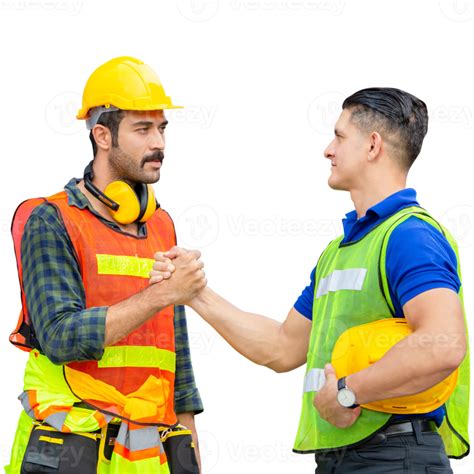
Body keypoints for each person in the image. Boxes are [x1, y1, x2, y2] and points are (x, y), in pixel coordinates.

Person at [151, 87, 470, 473]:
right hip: (348, 459)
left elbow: (443, 344)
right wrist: (195, 294)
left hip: (394, 456)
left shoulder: (409, 235)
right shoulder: (341, 251)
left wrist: (350, 393)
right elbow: (281, 347)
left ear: (372, 146)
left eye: (339, 136)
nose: (328, 150)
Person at [6, 56, 207, 474]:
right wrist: (161, 294)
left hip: (146, 454)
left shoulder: (160, 223)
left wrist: (189, 441)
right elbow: (60, 337)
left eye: (162, 128)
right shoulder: (52, 220)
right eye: (143, 129)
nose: (160, 144)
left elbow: (176, 350)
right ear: (102, 135)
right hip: (70, 448)